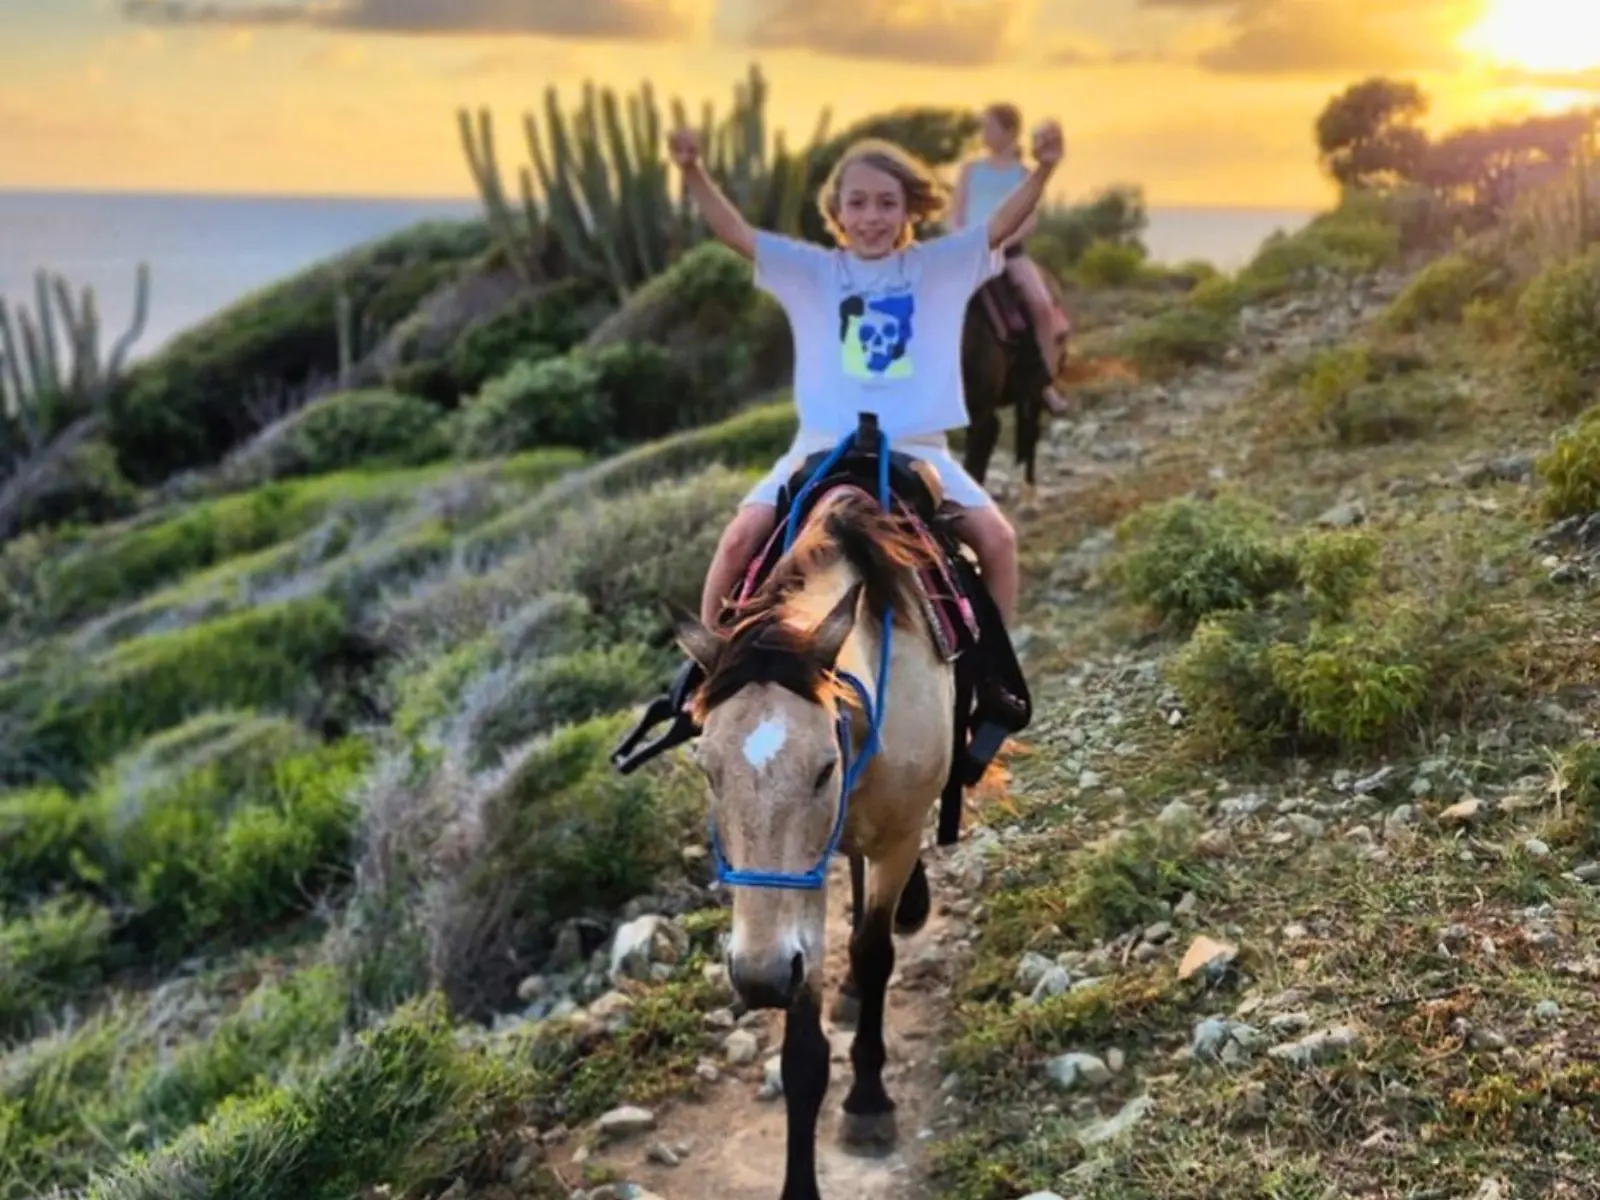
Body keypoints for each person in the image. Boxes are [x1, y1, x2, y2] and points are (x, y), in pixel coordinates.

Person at [669, 119, 1065, 634]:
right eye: (857, 203)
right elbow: (735, 234)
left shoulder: (938, 265)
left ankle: (994, 685)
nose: (871, 217)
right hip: (820, 447)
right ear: (836, 212)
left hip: (918, 451)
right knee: (739, 540)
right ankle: (711, 675)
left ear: (907, 209)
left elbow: (1001, 225)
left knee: (999, 542)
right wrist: (692, 169)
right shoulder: (812, 270)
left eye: (886, 202)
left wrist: (1045, 170)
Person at [951, 102, 1071, 416]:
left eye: (988, 127)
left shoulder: (1024, 174)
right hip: (968, 252)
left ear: (1009, 132)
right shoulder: (970, 170)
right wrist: (963, 243)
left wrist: (1001, 244)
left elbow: (1029, 221)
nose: (983, 134)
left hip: (1010, 253)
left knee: (1041, 305)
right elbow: (957, 213)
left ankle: (1045, 383)